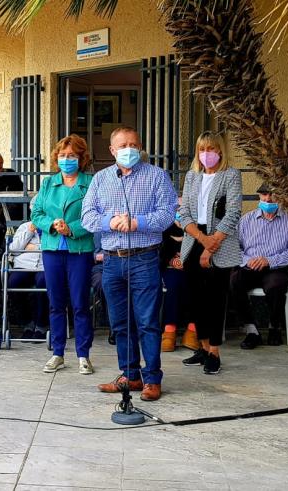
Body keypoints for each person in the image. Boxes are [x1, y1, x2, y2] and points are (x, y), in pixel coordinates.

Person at [82, 126, 177, 402]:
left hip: (144, 258)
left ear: (140, 147)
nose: (128, 149)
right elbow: (87, 217)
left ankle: (152, 379)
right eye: (122, 145)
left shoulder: (157, 176)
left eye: (133, 144)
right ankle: (129, 375)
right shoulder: (100, 180)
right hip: (112, 261)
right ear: (112, 150)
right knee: (121, 323)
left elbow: (168, 213)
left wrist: (137, 222)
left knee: (147, 322)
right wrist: (109, 222)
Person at [178, 131, 242, 375]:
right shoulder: (192, 176)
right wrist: (202, 240)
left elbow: (233, 212)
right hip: (195, 238)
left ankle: (214, 351)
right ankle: (202, 347)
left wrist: (211, 244)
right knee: (195, 301)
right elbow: (184, 214)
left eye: (212, 149)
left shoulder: (230, 175)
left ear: (220, 151)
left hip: (220, 241)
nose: (207, 154)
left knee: (216, 300)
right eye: (202, 149)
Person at [32, 134, 96, 375]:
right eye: (62, 155)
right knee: (56, 303)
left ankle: (83, 355)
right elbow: (36, 213)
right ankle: (57, 352)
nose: (66, 159)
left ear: (81, 158)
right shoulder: (48, 183)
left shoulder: (91, 182)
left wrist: (72, 229)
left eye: (72, 155)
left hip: (79, 249)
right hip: (52, 249)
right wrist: (51, 224)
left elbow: (94, 215)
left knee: (80, 303)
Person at [231, 184, 288, 348]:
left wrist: (270, 260)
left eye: (272, 195)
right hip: (250, 267)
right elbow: (233, 248)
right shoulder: (246, 220)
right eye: (264, 195)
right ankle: (251, 331)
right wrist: (247, 260)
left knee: (276, 285)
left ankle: (274, 327)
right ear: (259, 197)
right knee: (235, 280)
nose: (268, 199)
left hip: (275, 268)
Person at [160, 201, 198, 352]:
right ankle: (169, 330)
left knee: (197, 285)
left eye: (184, 209)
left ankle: (192, 330)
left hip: (192, 269)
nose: (180, 212)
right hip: (170, 269)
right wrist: (171, 260)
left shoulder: (197, 229)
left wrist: (187, 260)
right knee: (172, 286)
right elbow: (159, 253)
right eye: (177, 209)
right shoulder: (164, 229)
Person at [6, 220, 49, 341]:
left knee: (43, 282)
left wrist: (34, 247)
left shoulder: (51, 225)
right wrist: (30, 231)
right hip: (23, 265)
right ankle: (27, 324)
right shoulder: (24, 227)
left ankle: (41, 325)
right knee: (13, 283)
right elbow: (14, 249)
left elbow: (53, 247)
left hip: (44, 265)